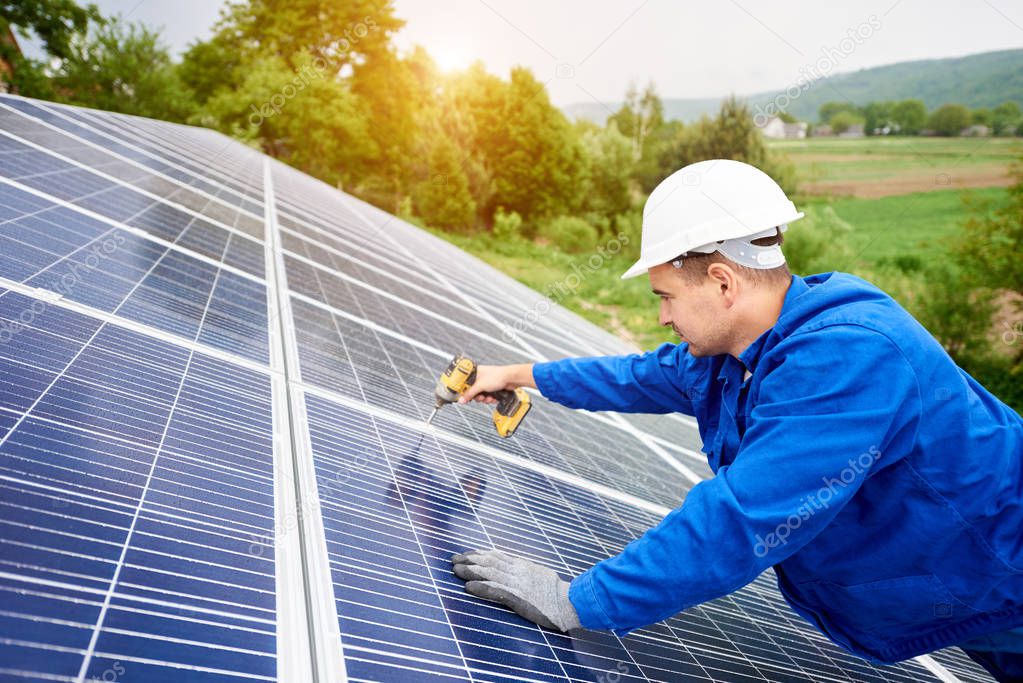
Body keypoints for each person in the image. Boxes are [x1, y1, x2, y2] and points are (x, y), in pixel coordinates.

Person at [450, 159, 1023, 682]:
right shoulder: (741, 350)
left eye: (666, 296)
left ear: (723, 282)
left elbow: (743, 517)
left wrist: (576, 600)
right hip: (968, 593)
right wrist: (513, 374)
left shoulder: (849, 359)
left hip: (1004, 575)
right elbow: (634, 375)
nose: (662, 315)